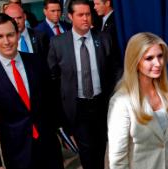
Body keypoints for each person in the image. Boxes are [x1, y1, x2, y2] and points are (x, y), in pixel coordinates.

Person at [0, 13, 64, 169]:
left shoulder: (37, 62)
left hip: (49, 147)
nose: (6, 41)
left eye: (10, 35)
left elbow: (52, 101)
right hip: (17, 153)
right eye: (0, 36)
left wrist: (65, 132)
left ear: (18, 34)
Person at [47, 0, 122, 168]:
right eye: (80, 15)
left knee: (102, 146)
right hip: (77, 107)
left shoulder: (104, 39)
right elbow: (52, 79)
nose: (85, 19)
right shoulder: (58, 43)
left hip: (101, 104)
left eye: (88, 14)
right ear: (70, 16)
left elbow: (116, 69)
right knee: (87, 152)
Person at [107, 32, 168, 169]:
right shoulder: (121, 102)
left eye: (160, 56)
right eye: (149, 58)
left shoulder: (166, 89)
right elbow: (117, 159)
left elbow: (164, 141)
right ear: (135, 61)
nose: (158, 63)